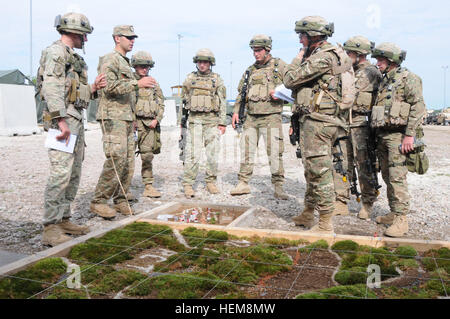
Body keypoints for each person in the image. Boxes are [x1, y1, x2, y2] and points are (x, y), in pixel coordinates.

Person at [283, 16, 356, 233]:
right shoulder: (332, 54)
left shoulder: (322, 57)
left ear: (313, 36)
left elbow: (289, 79)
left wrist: (297, 58)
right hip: (325, 120)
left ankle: (325, 224)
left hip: (319, 122)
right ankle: (308, 212)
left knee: (320, 171)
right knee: (311, 169)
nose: (299, 40)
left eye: (302, 36)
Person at [39, 12, 106, 246]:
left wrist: (93, 87)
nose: (85, 40)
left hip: (75, 120)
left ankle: (64, 218)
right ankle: (50, 226)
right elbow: (52, 88)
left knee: (74, 173)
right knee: (60, 174)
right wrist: (61, 121)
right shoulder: (56, 53)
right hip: (63, 123)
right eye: (83, 35)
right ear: (74, 32)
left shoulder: (73, 59)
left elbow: (77, 94)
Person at [90, 25, 156, 218]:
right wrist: (137, 82)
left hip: (126, 118)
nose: (132, 40)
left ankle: (120, 199)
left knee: (128, 162)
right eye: (128, 37)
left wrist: (133, 117)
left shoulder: (124, 62)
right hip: (113, 117)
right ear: (117, 38)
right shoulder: (110, 59)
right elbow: (107, 86)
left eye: (133, 37)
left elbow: (127, 95)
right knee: (116, 159)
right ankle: (99, 201)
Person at [370, 42, 426, 237]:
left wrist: (410, 135)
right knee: (387, 176)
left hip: (399, 136)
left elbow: (418, 108)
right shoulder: (385, 81)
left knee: (397, 178)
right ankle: (394, 213)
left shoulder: (409, 79)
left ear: (391, 60)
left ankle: (402, 220)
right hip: (383, 135)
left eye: (380, 60)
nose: (377, 63)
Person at [230, 34, 289, 200]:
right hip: (251, 117)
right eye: (254, 50)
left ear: (267, 49)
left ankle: (278, 186)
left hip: (271, 116)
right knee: (247, 151)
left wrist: (281, 95)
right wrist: (236, 111)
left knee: (275, 152)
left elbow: (293, 86)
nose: (256, 54)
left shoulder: (280, 66)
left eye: (259, 50)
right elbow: (241, 93)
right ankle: (243, 183)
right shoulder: (250, 70)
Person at [332, 36, 382, 219]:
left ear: (359, 54)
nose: (346, 55)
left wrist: (377, 128)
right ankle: (341, 200)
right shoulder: (344, 71)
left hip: (362, 125)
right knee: (341, 162)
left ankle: (367, 202)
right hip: (343, 123)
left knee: (364, 164)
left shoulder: (372, 73)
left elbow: (380, 101)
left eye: (349, 53)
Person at [181, 49, 227, 198]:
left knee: (212, 154)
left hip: (212, 121)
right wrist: (182, 122)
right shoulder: (190, 79)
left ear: (210, 63)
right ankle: (188, 184)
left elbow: (222, 101)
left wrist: (222, 122)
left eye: (205, 62)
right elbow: (184, 100)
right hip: (195, 121)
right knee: (192, 154)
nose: (202, 65)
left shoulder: (217, 79)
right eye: (200, 62)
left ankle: (210, 182)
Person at [131, 51, 165, 198]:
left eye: (147, 66)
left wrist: (157, 119)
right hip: (132, 124)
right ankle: (123, 189)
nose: (144, 69)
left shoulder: (153, 83)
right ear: (135, 66)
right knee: (125, 158)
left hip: (149, 124)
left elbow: (161, 103)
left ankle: (148, 185)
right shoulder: (130, 82)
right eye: (141, 66)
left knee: (147, 156)